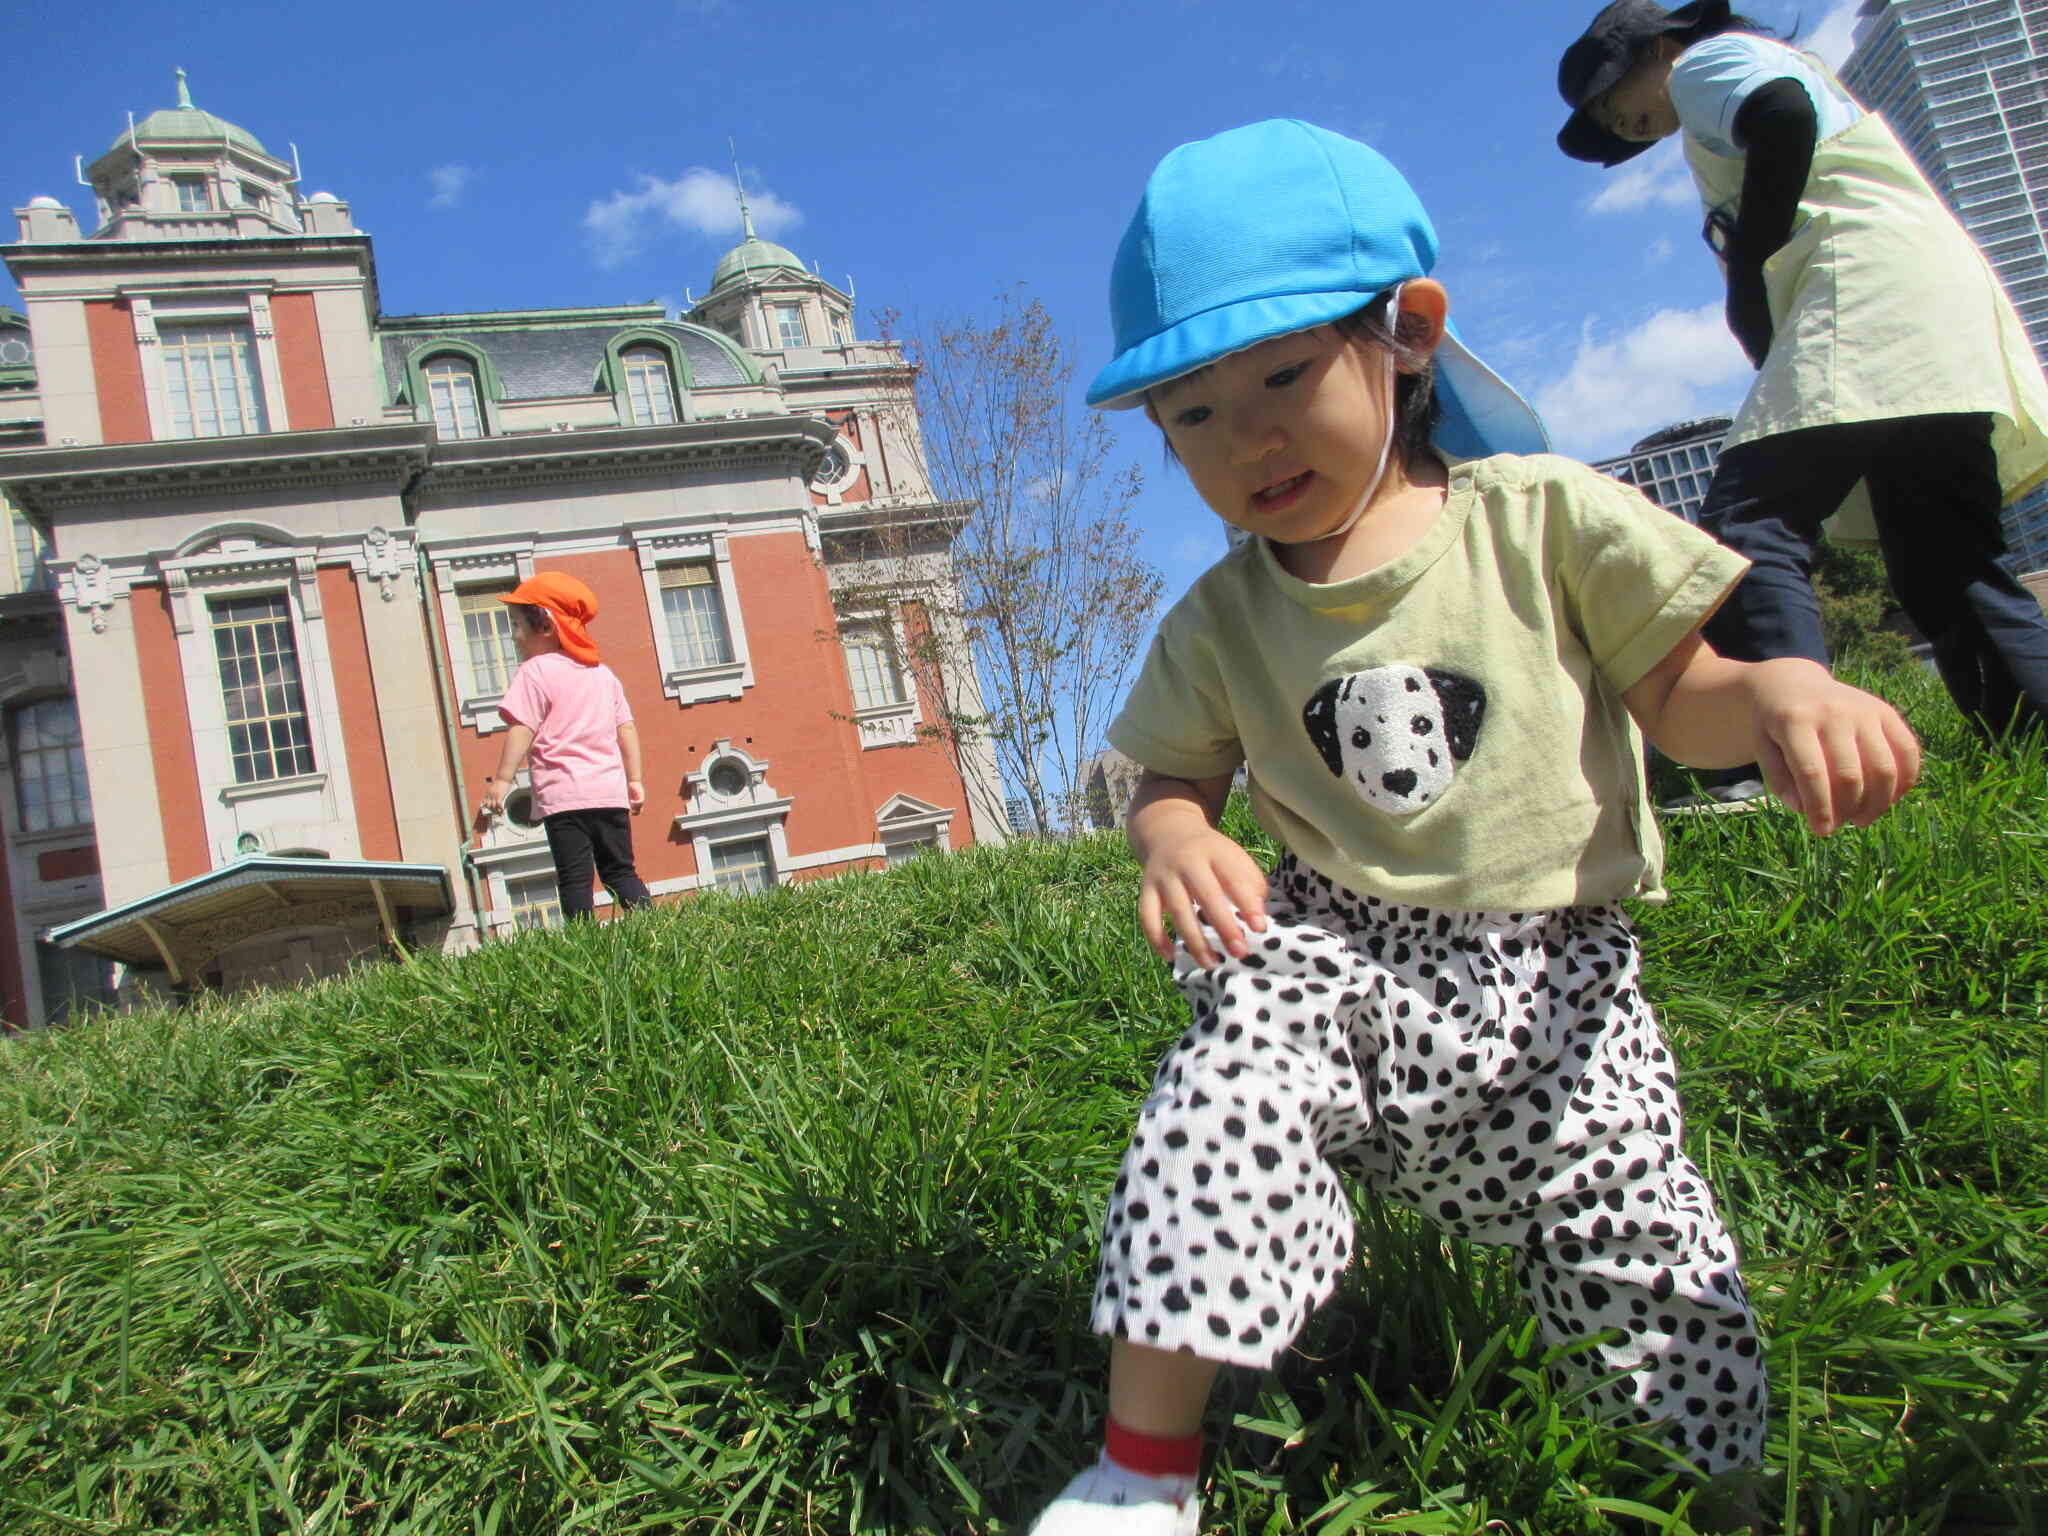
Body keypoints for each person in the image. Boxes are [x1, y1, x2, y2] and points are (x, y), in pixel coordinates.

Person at [1022, 119, 1921, 1535]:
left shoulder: (1542, 519)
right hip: (1334, 968)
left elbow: (1685, 697)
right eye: (1191, 411)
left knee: (1637, 1246)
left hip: (1556, 985)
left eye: (1282, 375)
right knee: (1212, 1108)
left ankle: (1721, 1487)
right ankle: (1142, 1473)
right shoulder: (1218, 621)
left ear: (1409, 334)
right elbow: (1169, 774)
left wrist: (1782, 694)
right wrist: (1174, 836)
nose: (1247, 434)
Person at [1558, 0, 2048, 807]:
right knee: (1948, 561)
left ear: (1662, 46)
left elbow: (1779, 116)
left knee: (1748, 528)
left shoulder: (1708, 66)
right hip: (1925, 307)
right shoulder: (1756, 78)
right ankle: (2032, 748)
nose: (1626, 119)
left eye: (1619, 97)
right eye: (1613, 120)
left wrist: (1752, 273)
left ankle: (1772, 763)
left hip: (1863, 294)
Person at [478, 572, 652, 921]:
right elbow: (626, 727)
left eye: (517, 625)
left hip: (564, 798)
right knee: (621, 871)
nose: (514, 637)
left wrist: (502, 780)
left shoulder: (535, 671)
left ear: (545, 626)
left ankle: (583, 943)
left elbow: (522, 727)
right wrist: (634, 779)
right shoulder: (602, 674)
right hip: (608, 791)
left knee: (575, 880)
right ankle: (651, 925)